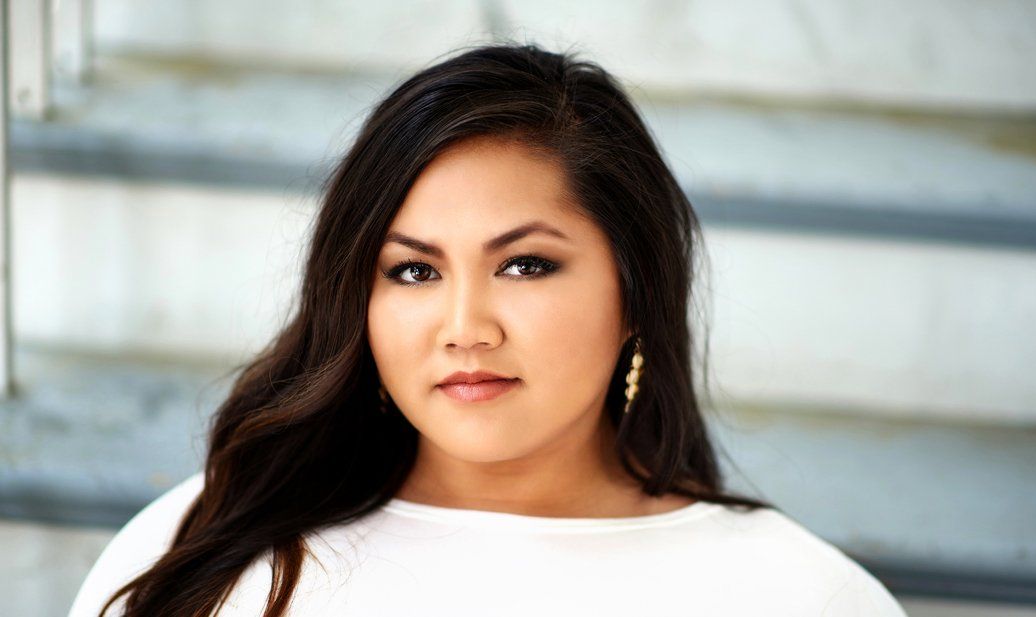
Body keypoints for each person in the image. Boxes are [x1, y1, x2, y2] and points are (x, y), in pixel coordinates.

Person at [68, 43, 907, 617]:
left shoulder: (792, 592)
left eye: (525, 265)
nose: (464, 327)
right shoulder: (209, 543)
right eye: (413, 271)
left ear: (634, 287)